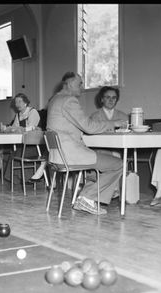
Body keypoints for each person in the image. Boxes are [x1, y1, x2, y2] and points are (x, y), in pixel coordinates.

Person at [46, 72, 126, 215]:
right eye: (80, 83)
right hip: (71, 154)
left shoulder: (53, 100)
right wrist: (113, 123)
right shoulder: (69, 100)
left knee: (105, 162)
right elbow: (88, 126)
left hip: (57, 156)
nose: (82, 87)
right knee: (118, 164)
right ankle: (87, 198)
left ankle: (88, 196)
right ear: (70, 84)